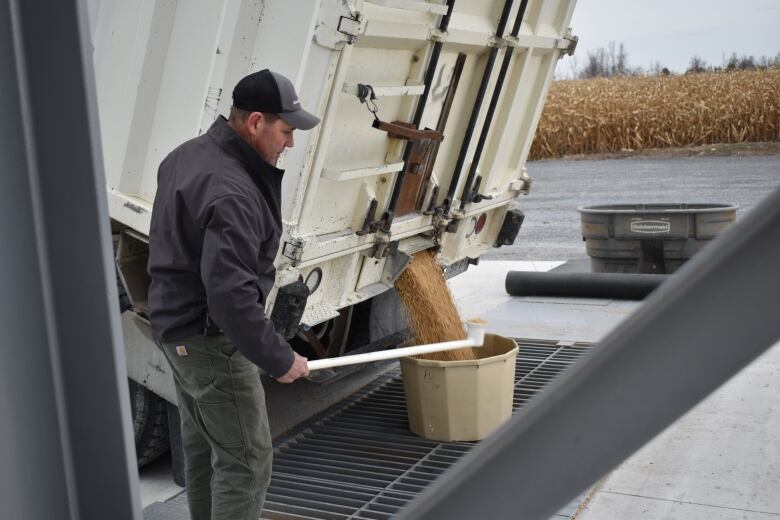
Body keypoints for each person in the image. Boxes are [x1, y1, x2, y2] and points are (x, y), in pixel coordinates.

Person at [147, 69, 319, 520]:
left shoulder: (186, 156)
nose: (290, 144)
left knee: (206, 451)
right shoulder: (232, 190)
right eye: (286, 131)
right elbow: (230, 294)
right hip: (210, 342)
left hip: (175, 330)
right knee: (246, 461)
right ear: (255, 122)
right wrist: (279, 358)